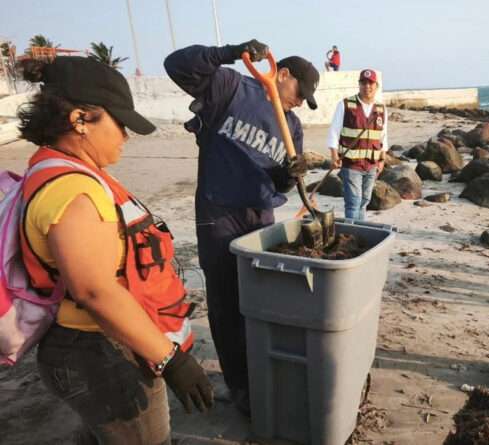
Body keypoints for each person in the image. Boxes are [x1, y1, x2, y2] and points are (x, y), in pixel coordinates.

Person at [16, 57, 212, 444]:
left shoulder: (60, 171)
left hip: (95, 346)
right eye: (119, 123)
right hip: (99, 351)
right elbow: (94, 290)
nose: (125, 135)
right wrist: (170, 358)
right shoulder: (74, 191)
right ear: (79, 120)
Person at [164, 39, 316, 416]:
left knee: (260, 298)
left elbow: (280, 184)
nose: (301, 102)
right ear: (282, 74)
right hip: (219, 210)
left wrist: (289, 174)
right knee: (226, 301)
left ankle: (262, 369)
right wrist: (230, 52)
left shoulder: (292, 126)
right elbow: (176, 65)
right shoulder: (231, 88)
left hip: (260, 215)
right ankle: (240, 385)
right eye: (301, 93)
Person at [327, 68, 388, 220]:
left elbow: (383, 136)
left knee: (364, 201)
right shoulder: (345, 105)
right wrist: (334, 156)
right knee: (353, 202)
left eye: (370, 83)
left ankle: (360, 229)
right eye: (363, 83)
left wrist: (382, 160)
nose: (367, 86)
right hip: (351, 164)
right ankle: (351, 231)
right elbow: (334, 132)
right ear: (359, 84)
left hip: (371, 164)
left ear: (376, 86)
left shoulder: (381, 109)